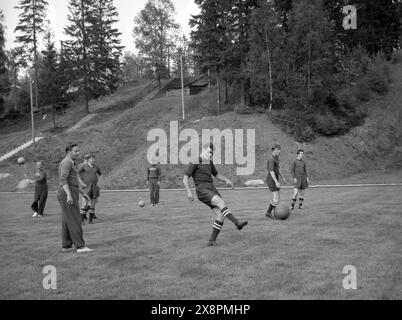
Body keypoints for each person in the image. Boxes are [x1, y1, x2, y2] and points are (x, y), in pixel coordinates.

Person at [183, 143, 248, 246]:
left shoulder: (209, 162)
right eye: (209, 152)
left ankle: (211, 241)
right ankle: (237, 223)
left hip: (211, 188)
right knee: (220, 201)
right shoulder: (196, 161)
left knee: (220, 215)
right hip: (202, 189)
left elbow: (216, 174)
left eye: (212, 153)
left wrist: (226, 180)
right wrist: (189, 192)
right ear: (203, 149)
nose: (210, 155)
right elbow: (185, 177)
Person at [57, 143, 93, 253]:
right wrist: (69, 195)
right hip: (67, 192)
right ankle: (80, 246)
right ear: (69, 152)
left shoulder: (70, 163)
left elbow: (73, 181)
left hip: (71, 191)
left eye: (78, 151)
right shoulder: (67, 162)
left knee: (67, 220)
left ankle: (66, 246)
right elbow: (64, 180)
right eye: (76, 151)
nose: (78, 153)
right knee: (75, 220)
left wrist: (83, 193)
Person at [78, 154, 102, 224]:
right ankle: (81, 220)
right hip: (87, 187)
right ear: (88, 159)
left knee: (93, 204)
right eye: (92, 159)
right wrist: (81, 182)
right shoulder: (83, 166)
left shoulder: (96, 167)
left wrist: (99, 182)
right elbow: (77, 174)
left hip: (94, 187)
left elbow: (101, 174)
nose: (94, 160)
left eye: (94, 159)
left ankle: (90, 221)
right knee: (85, 203)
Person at [265, 143, 287, 219]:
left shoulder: (276, 158)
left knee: (277, 197)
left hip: (275, 178)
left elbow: (278, 169)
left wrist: (283, 177)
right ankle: (269, 213)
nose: (279, 151)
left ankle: (275, 213)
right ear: (273, 150)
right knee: (276, 197)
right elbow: (271, 172)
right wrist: (276, 182)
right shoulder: (271, 159)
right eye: (278, 149)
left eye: (279, 150)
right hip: (271, 179)